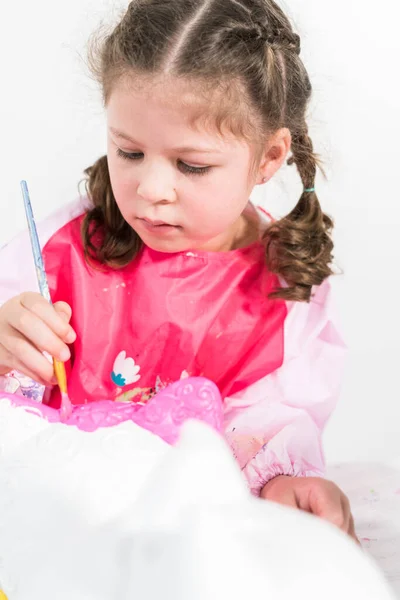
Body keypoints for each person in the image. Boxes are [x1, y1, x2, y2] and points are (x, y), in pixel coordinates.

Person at [0, 0, 356, 539]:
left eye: (191, 165)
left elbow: (267, 427)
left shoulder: (284, 294)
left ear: (268, 157)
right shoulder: (57, 250)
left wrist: (281, 485)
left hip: (182, 535)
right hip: (57, 518)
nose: (151, 190)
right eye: (129, 152)